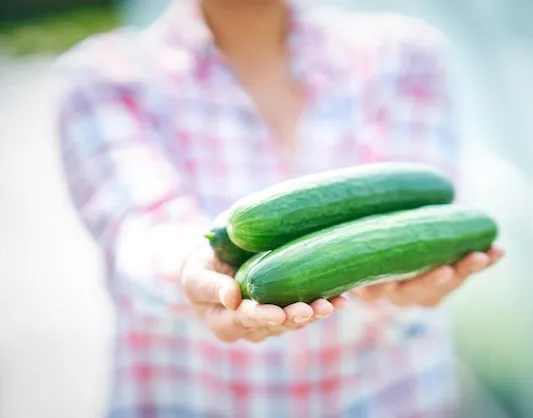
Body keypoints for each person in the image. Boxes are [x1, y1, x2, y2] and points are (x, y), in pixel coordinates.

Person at [54, 0, 504, 416]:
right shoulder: (103, 78)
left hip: (389, 399)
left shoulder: (404, 54)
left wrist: (414, 286)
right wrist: (193, 266)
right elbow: (141, 225)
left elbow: (423, 211)